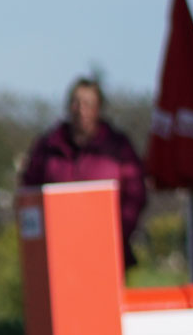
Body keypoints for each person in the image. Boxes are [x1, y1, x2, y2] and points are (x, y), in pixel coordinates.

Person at [18, 76, 147, 268]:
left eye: (87, 103)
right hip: (56, 253)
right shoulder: (47, 146)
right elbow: (28, 192)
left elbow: (135, 193)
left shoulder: (118, 147)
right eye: (75, 102)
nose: (80, 109)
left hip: (106, 252)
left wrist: (119, 232)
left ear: (98, 109)